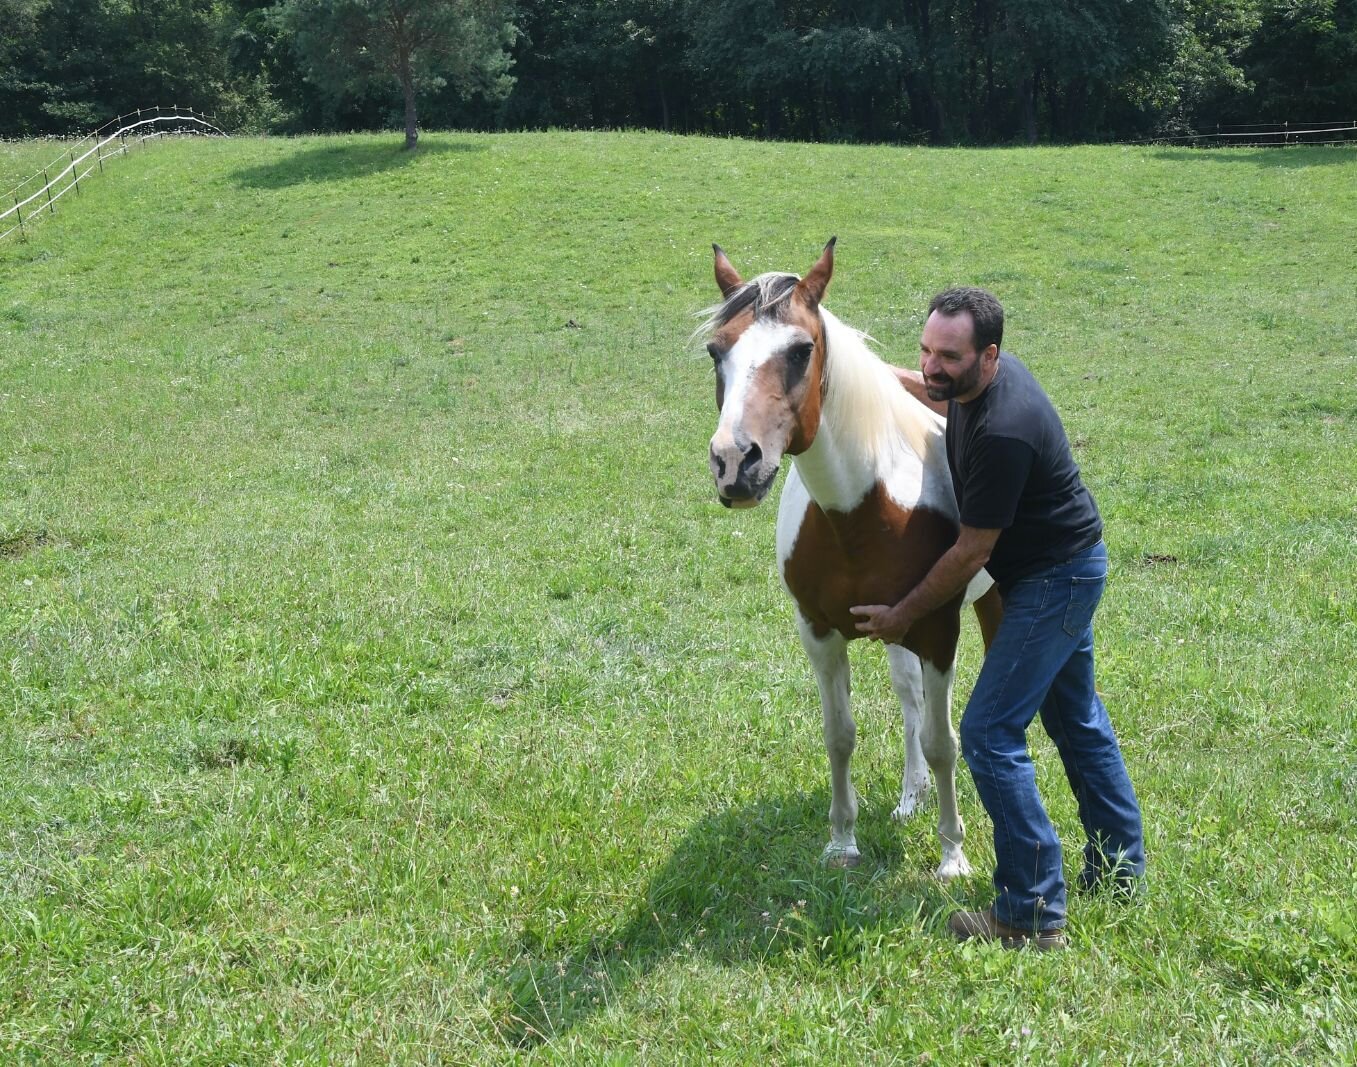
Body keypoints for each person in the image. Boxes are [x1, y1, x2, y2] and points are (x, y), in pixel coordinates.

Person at [850, 287, 1145, 951]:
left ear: (989, 355)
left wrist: (901, 614)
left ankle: (1031, 911)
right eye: (925, 350)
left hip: (1055, 580)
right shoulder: (971, 384)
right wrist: (868, 372)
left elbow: (970, 552)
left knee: (987, 732)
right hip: (1065, 564)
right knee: (1076, 719)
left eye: (946, 356)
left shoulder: (1003, 427)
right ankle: (1121, 873)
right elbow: (930, 391)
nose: (931, 366)